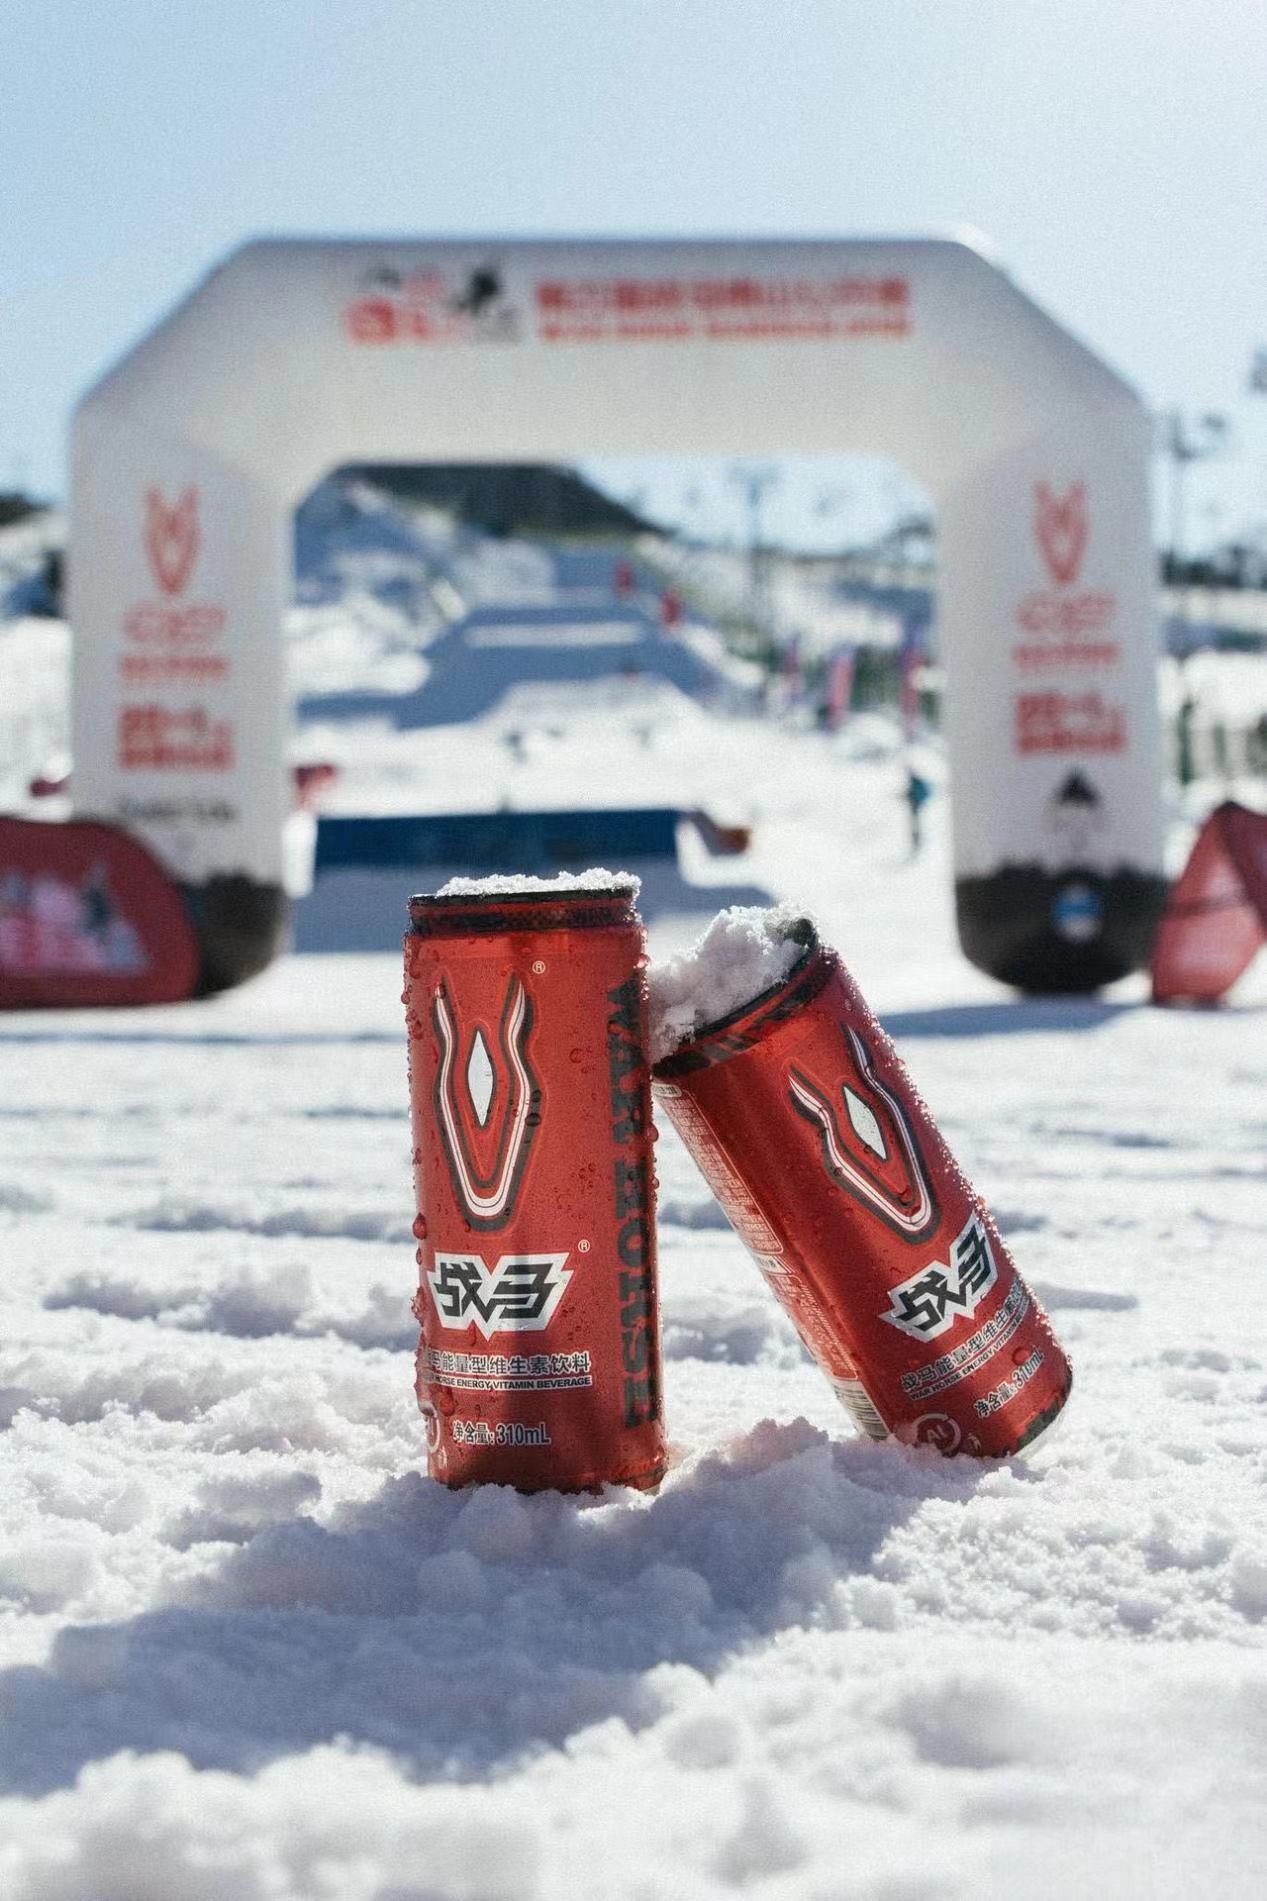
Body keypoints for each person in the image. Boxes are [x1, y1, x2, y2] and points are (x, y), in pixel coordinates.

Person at [904, 766, 931, 855]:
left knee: (915, 824)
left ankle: (917, 840)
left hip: (915, 805)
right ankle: (916, 840)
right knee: (915, 823)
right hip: (915, 805)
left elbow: (915, 793)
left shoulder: (915, 783)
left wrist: (911, 797)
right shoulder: (915, 783)